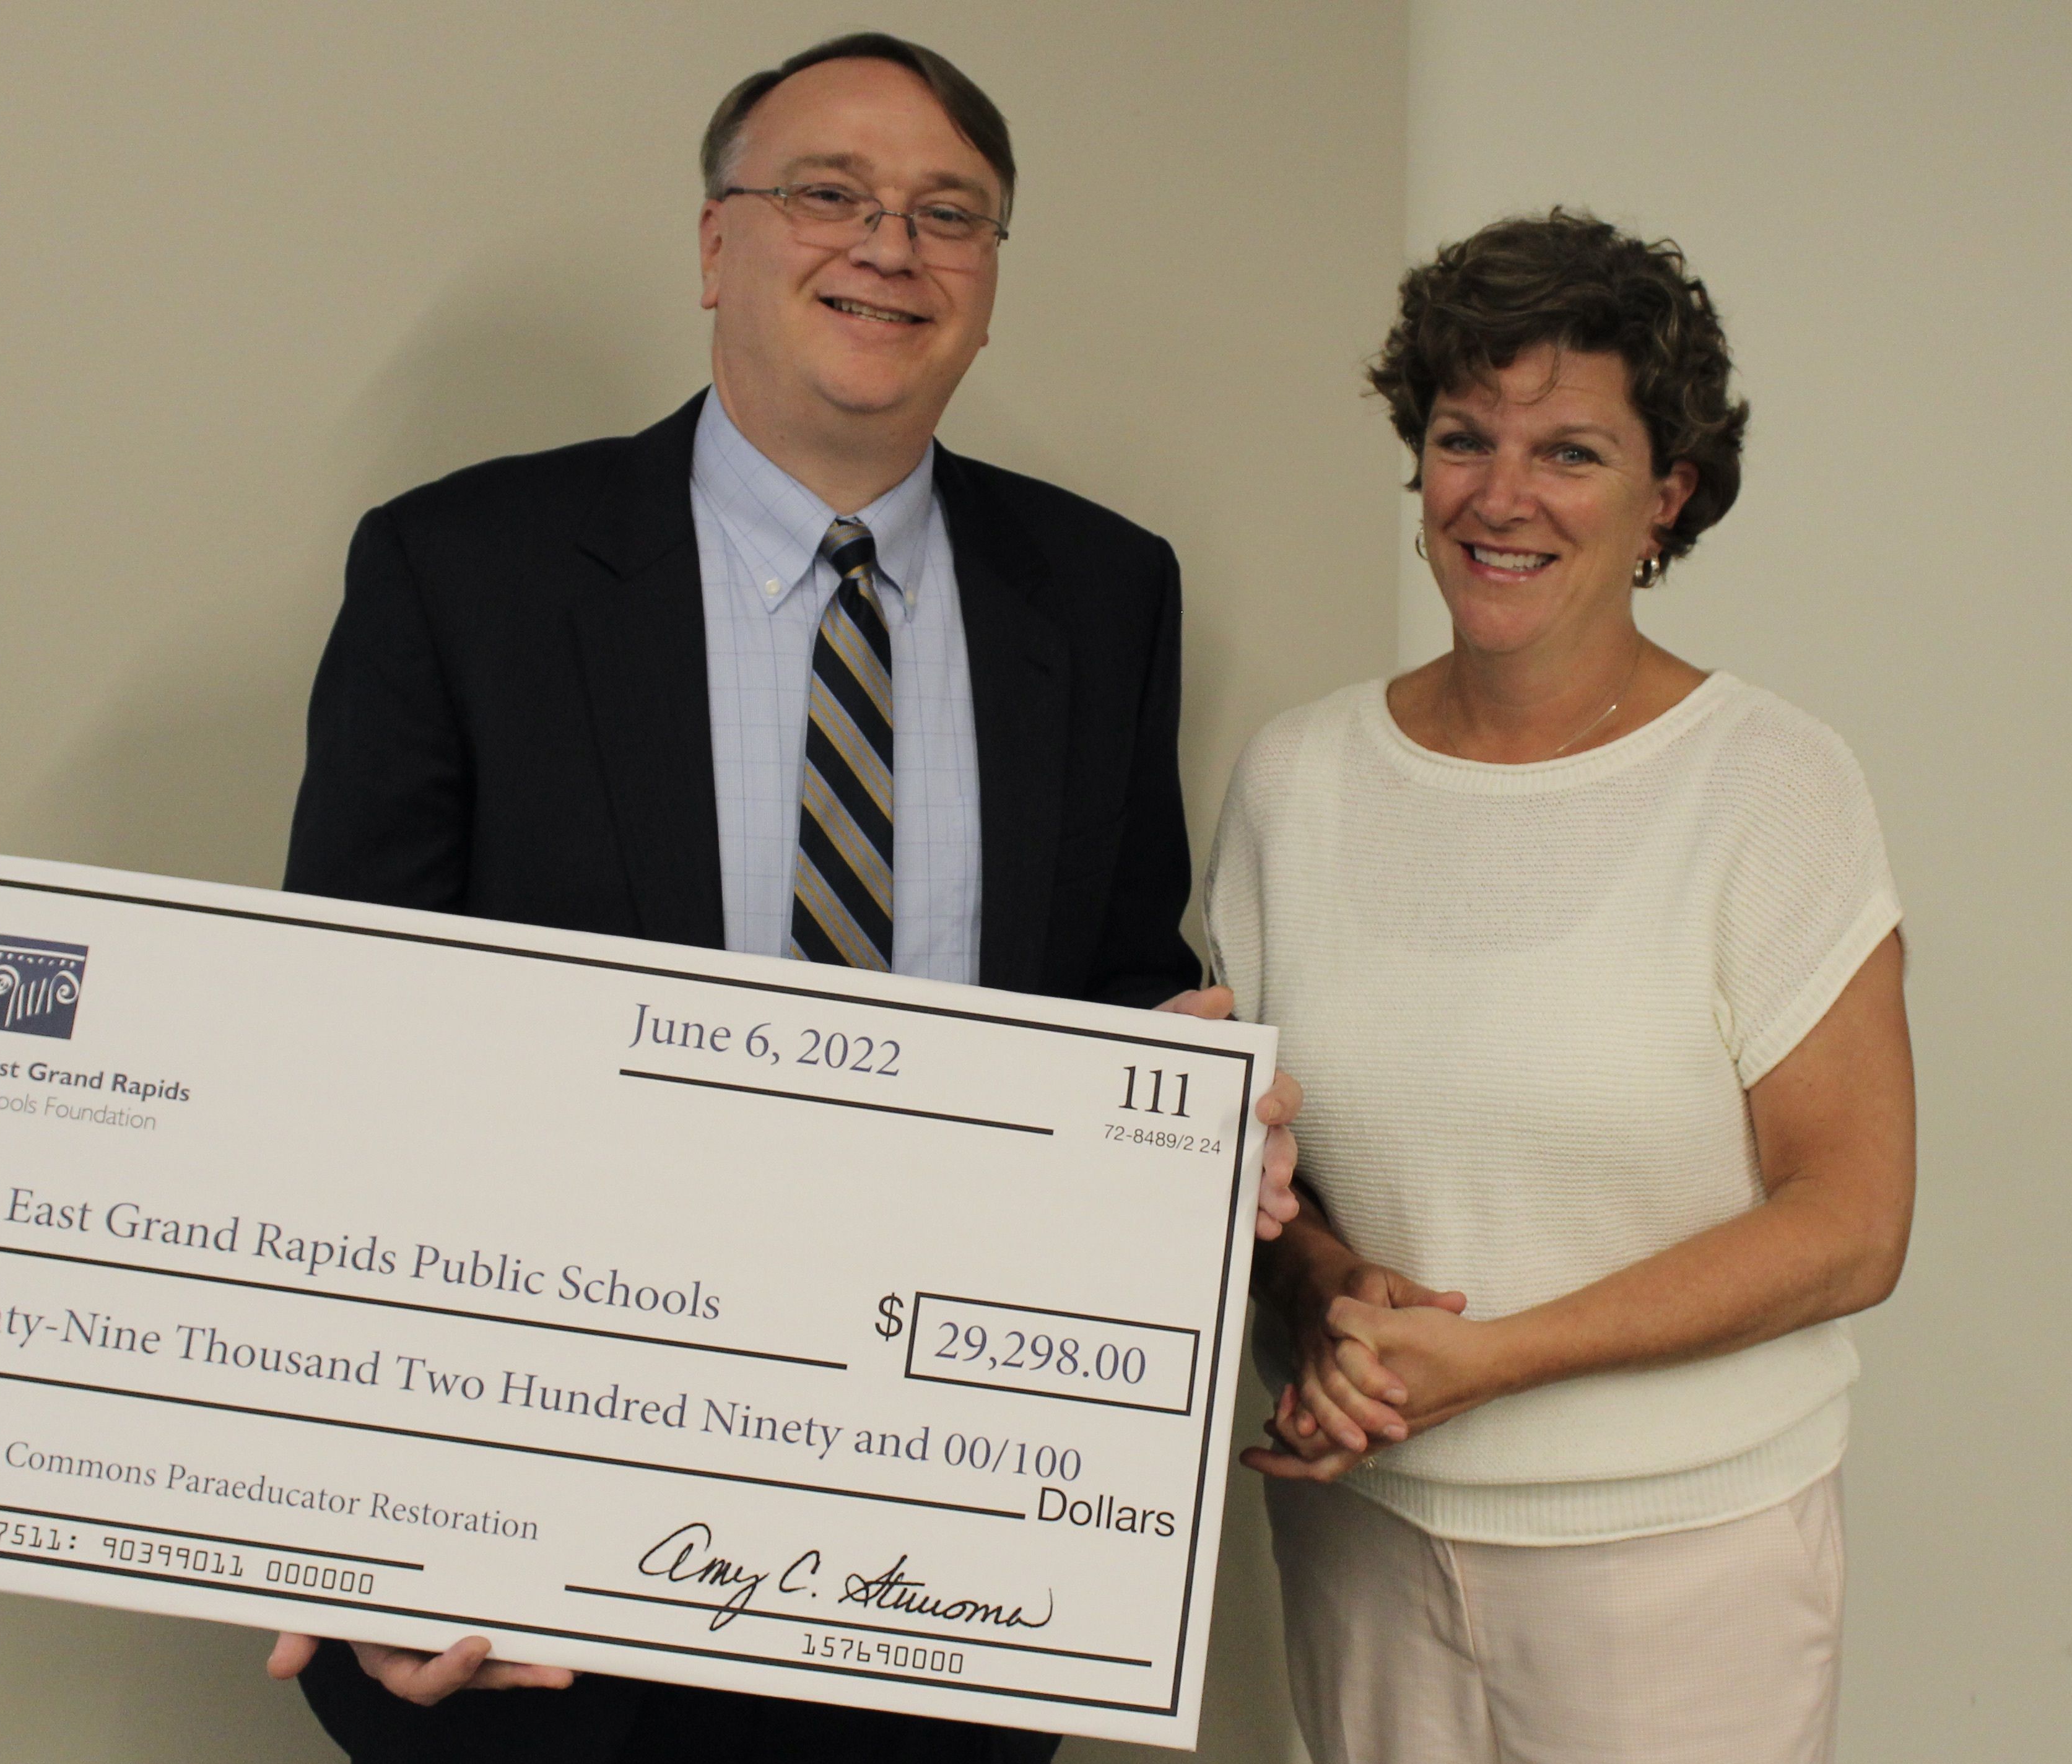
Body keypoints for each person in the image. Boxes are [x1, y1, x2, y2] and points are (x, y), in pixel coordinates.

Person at [266, 32, 1298, 1764]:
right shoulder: (464, 572)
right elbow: (342, 1063)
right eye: (828, 192)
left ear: (985, 281)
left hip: (942, 1574)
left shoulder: (1106, 593)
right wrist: (370, 1521)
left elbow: (1124, 988)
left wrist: (1197, 1121)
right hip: (537, 1569)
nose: (887, 246)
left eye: (947, 215)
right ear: (713, 245)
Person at [1210, 210, 1915, 1763]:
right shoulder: (1297, 781)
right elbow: (1265, 1174)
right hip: (1362, 1541)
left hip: (1681, 1563)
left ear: (1667, 494)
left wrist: (1495, 1360)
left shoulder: (1770, 784)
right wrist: (1325, 1291)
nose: (1502, 498)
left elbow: (1850, 1221)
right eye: (1464, 438)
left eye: (1571, 454)